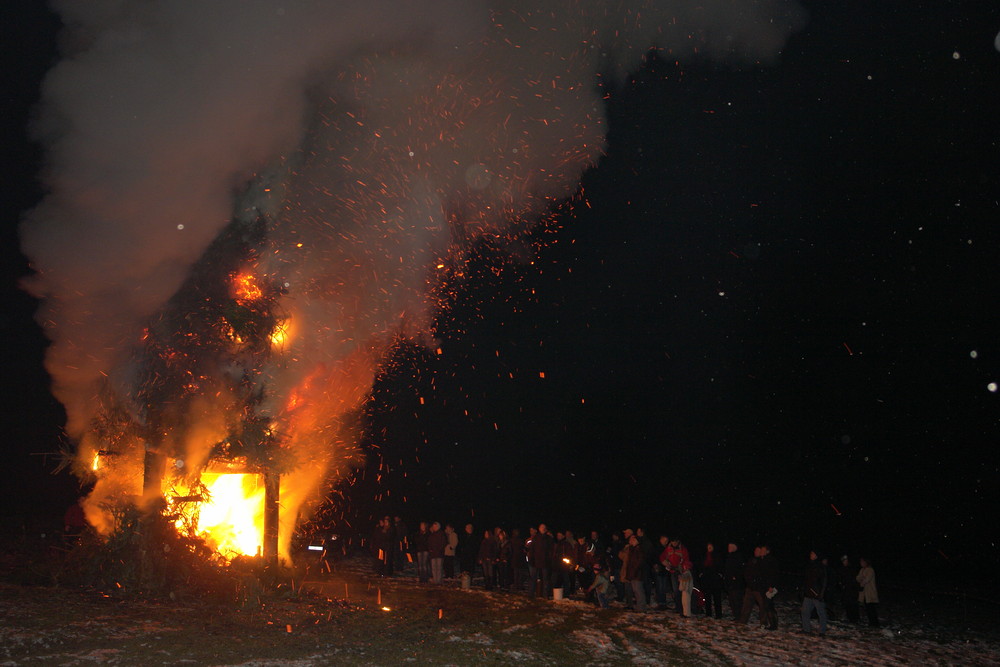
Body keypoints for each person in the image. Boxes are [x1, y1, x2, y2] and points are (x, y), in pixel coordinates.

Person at [800, 550, 828, 635]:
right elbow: (806, 579)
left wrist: (821, 593)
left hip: (817, 593)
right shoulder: (809, 565)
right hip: (808, 593)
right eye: (811, 553)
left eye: (813, 554)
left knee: (821, 613)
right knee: (805, 612)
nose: (811, 555)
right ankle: (806, 629)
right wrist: (803, 589)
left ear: (816, 556)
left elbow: (823, 581)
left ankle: (822, 631)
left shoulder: (820, 566)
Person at [622, 534, 647, 611]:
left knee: (638, 591)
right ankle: (639, 607)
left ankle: (641, 607)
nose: (631, 541)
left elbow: (638, 562)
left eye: (633, 540)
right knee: (636, 591)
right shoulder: (633, 549)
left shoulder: (638, 549)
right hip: (634, 573)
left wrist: (634, 571)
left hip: (637, 574)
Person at [528, 524, 554, 597]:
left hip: (545, 562)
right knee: (533, 578)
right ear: (539, 529)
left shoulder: (549, 538)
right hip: (536, 561)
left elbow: (551, 550)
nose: (543, 529)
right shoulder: (535, 538)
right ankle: (531, 594)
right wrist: (531, 560)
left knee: (545, 579)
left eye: (544, 528)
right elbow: (532, 550)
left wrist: (549, 559)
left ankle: (545, 595)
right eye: (542, 528)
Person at [699, 542, 724, 619]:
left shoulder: (717, 555)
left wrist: (719, 574)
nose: (709, 548)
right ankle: (708, 613)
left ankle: (718, 614)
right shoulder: (704, 556)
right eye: (708, 547)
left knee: (717, 597)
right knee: (707, 597)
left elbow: (719, 565)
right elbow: (701, 565)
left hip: (715, 579)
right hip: (707, 579)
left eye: (711, 546)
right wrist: (701, 573)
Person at [723, 543, 745, 620]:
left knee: (737, 601)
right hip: (730, 583)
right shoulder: (729, 556)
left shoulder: (737, 556)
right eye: (728, 546)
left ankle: (740, 616)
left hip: (736, 584)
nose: (729, 548)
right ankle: (736, 616)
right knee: (732, 601)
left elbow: (740, 569)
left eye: (731, 547)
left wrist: (735, 577)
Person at [857, 557, 880, 628]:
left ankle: (875, 623)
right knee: (868, 609)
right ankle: (871, 623)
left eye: (862, 562)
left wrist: (862, 580)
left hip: (870, 592)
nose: (861, 563)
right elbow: (858, 578)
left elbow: (866, 580)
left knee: (871, 609)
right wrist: (861, 579)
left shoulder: (870, 570)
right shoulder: (862, 570)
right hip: (864, 594)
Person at [838, 554, 861, 623]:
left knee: (853, 604)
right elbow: (840, 578)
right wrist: (841, 584)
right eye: (843, 561)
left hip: (852, 589)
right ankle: (850, 617)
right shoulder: (842, 569)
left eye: (845, 561)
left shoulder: (852, 568)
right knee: (847, 604)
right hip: (846, 590)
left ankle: (855, 618)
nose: (844, 562)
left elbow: (855, 579)